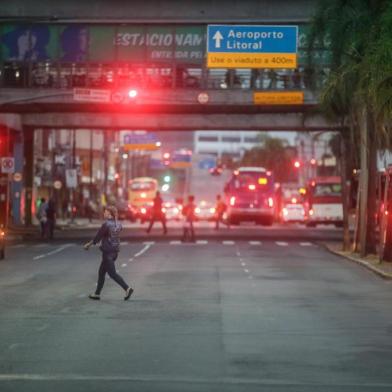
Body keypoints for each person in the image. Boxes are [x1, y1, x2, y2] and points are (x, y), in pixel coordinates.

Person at [84, 206, 133, 301]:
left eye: (105, 212)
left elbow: (97, 238)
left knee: (112, 274)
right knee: (101, 272)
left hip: (108, 253)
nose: (104, 213)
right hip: (115, 252)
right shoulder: (118, 224)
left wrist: (88, 245)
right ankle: (97, 294)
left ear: (109, 214)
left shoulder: (106, 225)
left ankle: (127, 288)